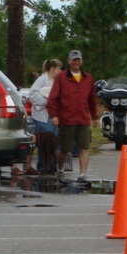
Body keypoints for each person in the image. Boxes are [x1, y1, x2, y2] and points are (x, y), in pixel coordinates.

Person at [46, 50, 98, 182]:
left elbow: (92, 99)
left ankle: (82, 175)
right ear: (69, 61)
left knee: (84, 148)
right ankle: (60, 169)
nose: (76, 62)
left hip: (83, 119)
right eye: (74, 60)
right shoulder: (61, 77)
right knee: (65, 149)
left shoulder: (88, 78)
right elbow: (52, 98)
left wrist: (95, 117)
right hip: (66, 119)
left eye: (78, 59)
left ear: (81, 61)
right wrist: (54, 115)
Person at [28, 59, 63, 172]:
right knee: (44, 143)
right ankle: (43, 166)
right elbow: (32, 94)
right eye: (58, 68)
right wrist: (46, 102)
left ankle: (52, 167)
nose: (60, 70)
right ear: (52, 68)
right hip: (42, 117)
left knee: (54, 142)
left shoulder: (57, 81)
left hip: (54, 116)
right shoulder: (42, 80)